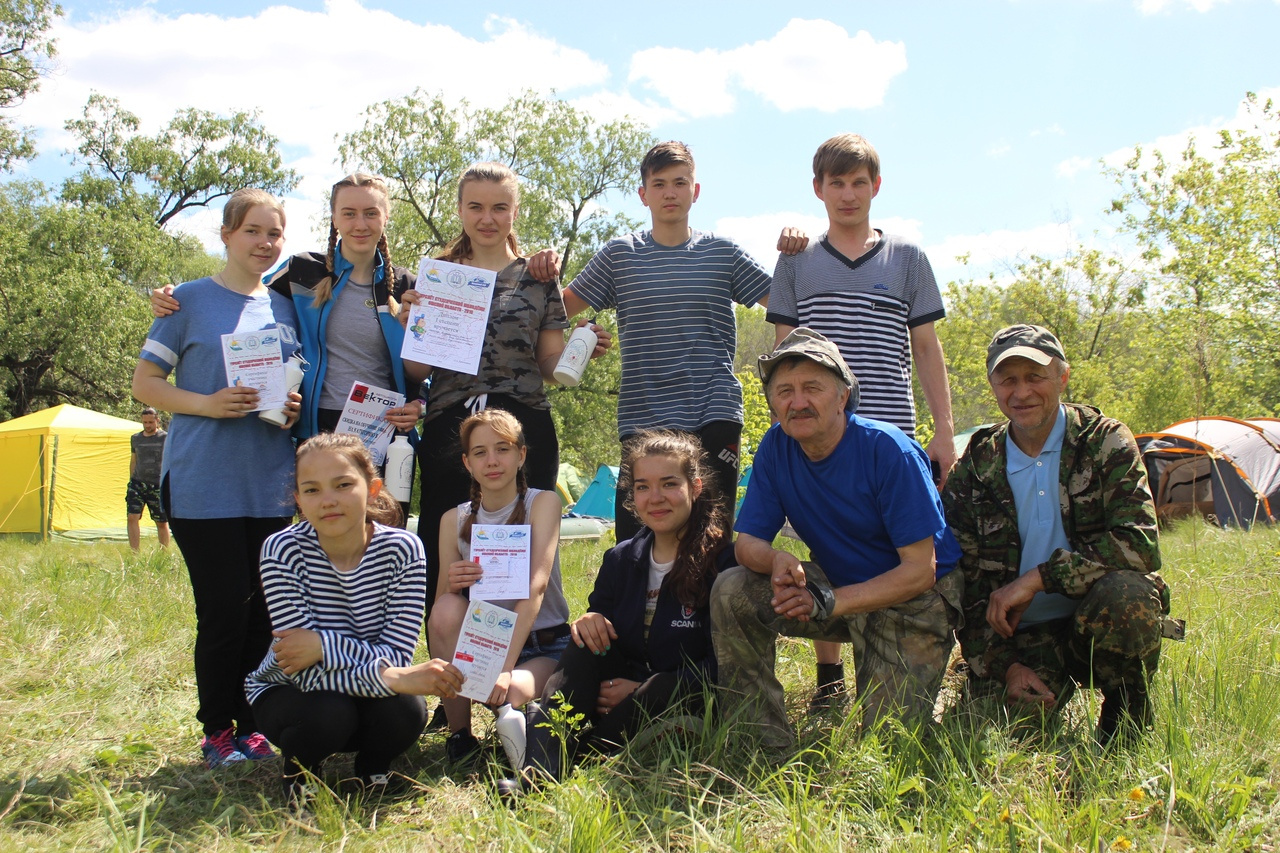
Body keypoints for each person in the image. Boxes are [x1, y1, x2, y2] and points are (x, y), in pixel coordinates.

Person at [767, 133, 957, 710]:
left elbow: (926, 346)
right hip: (816, 435)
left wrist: (944, 429)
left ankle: (892, 653)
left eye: (858, 183)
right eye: (836, 183)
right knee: (820, 544)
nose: (847, 194)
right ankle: (829, 678)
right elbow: (784, 350)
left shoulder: (908, 258)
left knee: (892, 546)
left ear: (876, 186)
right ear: (818, 189)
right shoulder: (796, 259)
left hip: (891, 430)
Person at [713, 328, 962, 751]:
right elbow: (747, 544)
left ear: (843, 396)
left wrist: (829, 601)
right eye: (784, 391)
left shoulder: (889, 451)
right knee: (732, 588)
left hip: (915, 600)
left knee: (887, 749)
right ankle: (762, 742)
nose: (797, 402)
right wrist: (776, 559)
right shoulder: (776, 447)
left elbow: (921, 571)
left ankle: (936, 695)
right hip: (837, 587)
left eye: (812, 388)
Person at [942, 324, 1176, 745]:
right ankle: (1003, 679)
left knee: (1129, 595)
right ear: (993, 385)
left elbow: (1139, 544)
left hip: (1094, 619)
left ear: (1062, 377)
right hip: (1020, 638)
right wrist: (1006, 665)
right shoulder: (976, 462)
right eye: (1008, 380)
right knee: (1009, 735)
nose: (1021, 392)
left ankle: (1124, 715)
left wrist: (1038, 579)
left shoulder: (1104, 441)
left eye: (1035, 377)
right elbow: (966, 582)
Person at [132, 188, 302, 769]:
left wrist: (291, 407)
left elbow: (290, 380)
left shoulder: (285, 308)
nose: (264, 242)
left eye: (274, 233)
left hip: (272, 484)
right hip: (203, 483)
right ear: (226, 235)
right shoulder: (185, 301)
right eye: (252, 230)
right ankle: (217, 732)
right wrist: (208, 404)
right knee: (224, 611)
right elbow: (145, 384)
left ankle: (253, 727)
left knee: (264, 613)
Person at [405, 162, 609, 615]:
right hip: (451, 427)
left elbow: (549, 365)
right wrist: (411, 324)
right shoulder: (437, 276)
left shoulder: (538, 278)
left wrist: (581, 351)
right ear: (460, 210)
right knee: (450, 557)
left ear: (515, 212)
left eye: (499, 207)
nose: (487, 218)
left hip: (524, 426)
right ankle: (452, 655)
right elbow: (417, 370)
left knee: (520, 558)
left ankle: (520, 654)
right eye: (475, 207)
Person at [561, 141, 773, 542]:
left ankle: (712, 587)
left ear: (696, 191)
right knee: (635, 541)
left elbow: (784, 304)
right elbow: (557, 308)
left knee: (711, 537)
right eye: (659, 184)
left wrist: (798, 255)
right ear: (644, 194)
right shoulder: (620, 255)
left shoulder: (722, 253)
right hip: (643, 413)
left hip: (713, 408)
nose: (670, 193)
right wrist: (571, 329)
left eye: (679, 183)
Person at [498, 431, 729, 797]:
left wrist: (640, 689)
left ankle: (573, 754)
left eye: (669, 484)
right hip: (615, 694)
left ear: (695, 487)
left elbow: (723, 666)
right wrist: (590, 621)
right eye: (642, 487)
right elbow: (604, 631)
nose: (655, 498)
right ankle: (539, 773)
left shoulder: (724, 563)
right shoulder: (621, 558)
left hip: (684, 694)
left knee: (661, 688)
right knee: (582, 644)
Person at [246, 434, 464, 805]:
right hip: (293, 692)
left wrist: (322, 645)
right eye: (312, 490)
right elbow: (300, 668)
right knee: (329, 712)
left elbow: (395, 654)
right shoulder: (281, 550)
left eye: (343, 485)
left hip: (363, 687)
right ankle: (301, 771)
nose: (328, 500)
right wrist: (392, 677)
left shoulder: (403, 550)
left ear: (373, 489)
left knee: (407, 711)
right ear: (299, 500)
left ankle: (372, 768)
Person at [426, 407, 571, 768]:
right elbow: (442, 609)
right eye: (480, 452)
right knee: (445, 609)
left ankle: (519, 712)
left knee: (510, 693)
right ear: (467, 463)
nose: (492, 461)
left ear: (521, 455)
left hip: (543, 644)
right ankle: (460, 736)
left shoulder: (543, 502)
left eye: (502, 449)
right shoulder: (453, 519)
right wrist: (453, 583)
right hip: (485, 643)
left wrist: (504, 669)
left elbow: (537, 586)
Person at [126, 406, 170, 551]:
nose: (147, 425)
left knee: (161, 521)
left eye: (150, 422)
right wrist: (131, 480)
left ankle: (164, 554)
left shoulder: (165, 438)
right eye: (145, 422)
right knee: (132, 517)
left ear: (157, 421)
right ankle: (134, 553)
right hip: (137, 483)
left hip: (157, 484)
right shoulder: (135, 438)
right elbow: (134, 460)